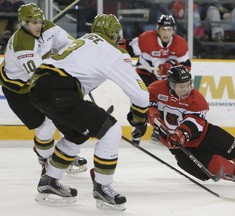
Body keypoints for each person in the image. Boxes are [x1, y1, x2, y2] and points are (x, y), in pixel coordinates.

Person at [28, 14, 149, 210]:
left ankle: (49, 181)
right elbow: (141, 95)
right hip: (59, 90)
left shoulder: (85, 39)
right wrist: (139, 118)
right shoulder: (113, 51)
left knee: (76, 135)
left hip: (38, 86)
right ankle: (103, 186)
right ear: (113, 33)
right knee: (111, 131)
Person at [147, 65, 235, 186]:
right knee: (221, 167)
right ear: (171, 85)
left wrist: (181, 134)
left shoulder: (197, 100)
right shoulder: (155, 89)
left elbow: (195, 122)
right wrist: (149, 111)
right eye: (181, 86)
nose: (187, 89)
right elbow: (143, 100)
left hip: (204, 135)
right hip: (180, 148)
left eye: (189, 84)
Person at [0, 3, 87, 174]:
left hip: (38, 81)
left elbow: (70, 45)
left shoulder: (50, 28)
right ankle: (46, 158)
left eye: (39, 21)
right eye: (33, 22)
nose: (38, 25)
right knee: (46, 126)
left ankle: (64, 154)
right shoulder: (22, 45)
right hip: (18, 90)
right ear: (23, 23)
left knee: (64, 116)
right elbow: (40, 76)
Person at [128, 14, 191, 144]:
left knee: (167, 101)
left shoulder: (180, 44)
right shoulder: (146, 39)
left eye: (169, 29)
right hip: (146, 73)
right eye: (163, 29)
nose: (166, 32)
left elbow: (187, 66)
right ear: (158, 29)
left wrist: (172, 66)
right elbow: (126, 48)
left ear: (173, 30)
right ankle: (137, 128)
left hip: (166, 79)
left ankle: (158, 131)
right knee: (140, 97)